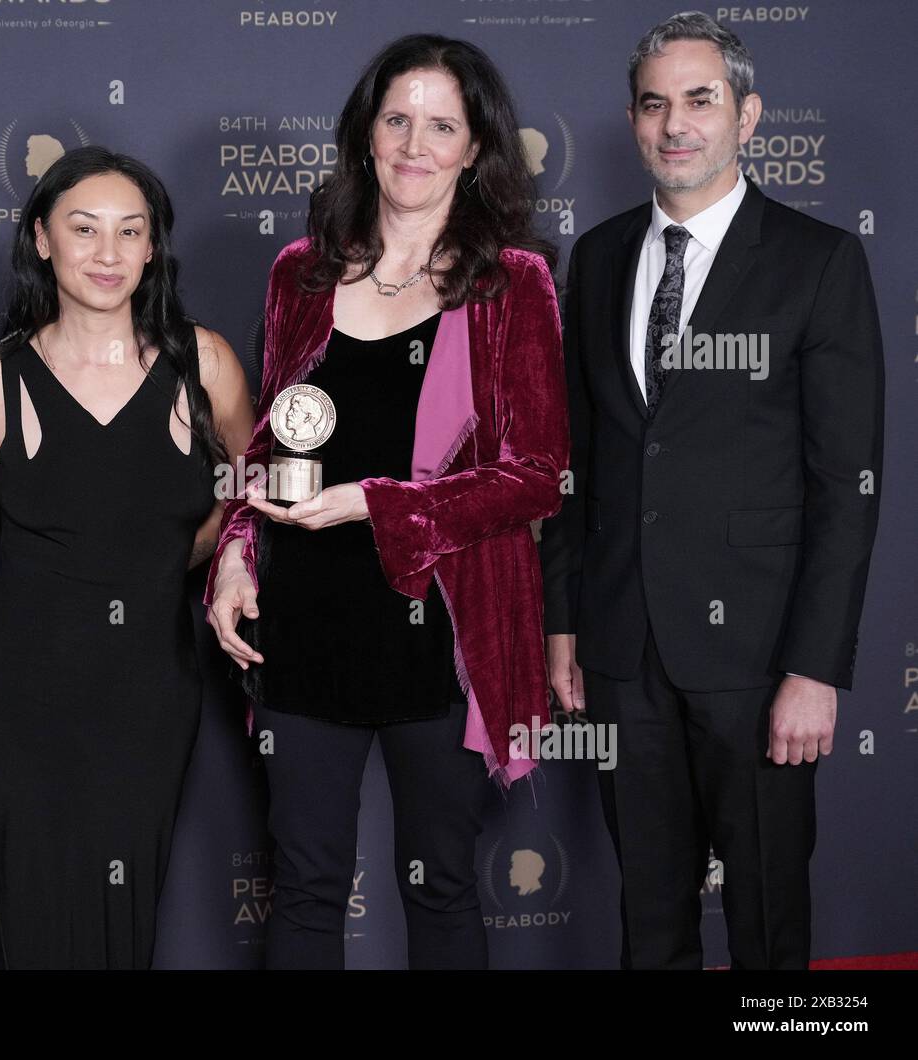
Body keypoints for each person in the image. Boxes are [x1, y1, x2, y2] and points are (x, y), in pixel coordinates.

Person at [205, 33, 568, 970]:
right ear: (366, 134)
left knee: (440, 882)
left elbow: (537, 474)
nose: (414, 142)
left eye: (440, 124)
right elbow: (268, 445)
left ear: (475, 148)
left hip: (442, 633)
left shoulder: (511, 283)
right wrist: (237, 551)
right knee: (307, 884)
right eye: (397, 118)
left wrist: (379, 503)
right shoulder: (302, 271)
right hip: (308, 622)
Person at [541, 12, 884, 969]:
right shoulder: (600, 256)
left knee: (770, 920)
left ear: (749, 115)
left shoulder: (819, 262)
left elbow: (845, 485)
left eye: (701, 99)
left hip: (763, 658)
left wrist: (816, 669)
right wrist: (563, 622)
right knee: (650, 917)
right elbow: (580, 459)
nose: (676, 123)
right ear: (633, 121)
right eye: (655, 104)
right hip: (621, 645)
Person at [0, 146, 254, 969]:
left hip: (147, 684)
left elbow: (258, 493)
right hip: (20, 688)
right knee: (35, 904)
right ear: (43, 240)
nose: (109, 253)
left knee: (125, 904)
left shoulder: (206, 364)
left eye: (131, 232)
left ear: (154, 247)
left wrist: (192, 555)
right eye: (83, 230)